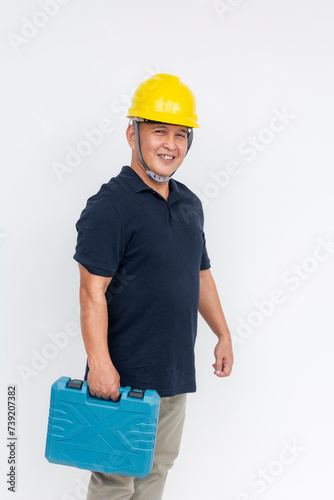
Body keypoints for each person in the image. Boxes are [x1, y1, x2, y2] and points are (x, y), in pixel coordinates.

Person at [73, 73, 233, 500]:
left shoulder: (189, 204)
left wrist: (223, 333)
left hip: (174, 374)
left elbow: (200, 275)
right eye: (159, 131)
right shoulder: (110, 207)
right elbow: (92, 293)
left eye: (180, 134)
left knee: (157, 471)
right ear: (132, 133)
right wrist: (100, 365)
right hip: (121, 379)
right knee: (115, 480)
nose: (170, 144)